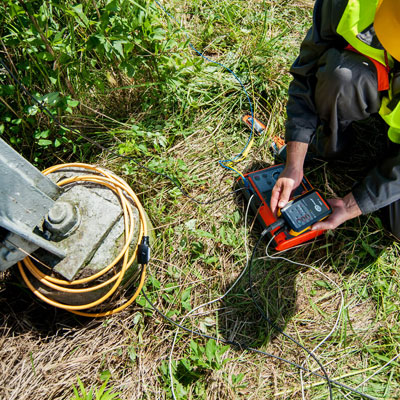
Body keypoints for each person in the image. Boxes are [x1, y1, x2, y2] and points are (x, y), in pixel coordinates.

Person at [270, 0, 400, 239]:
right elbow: (305, 74)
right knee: (339, 77)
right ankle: (328, 141)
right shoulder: (351, 3)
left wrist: (353, 205)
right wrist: (294, 162)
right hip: (363, 80)